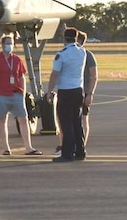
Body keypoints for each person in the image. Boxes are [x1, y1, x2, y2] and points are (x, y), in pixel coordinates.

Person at [0, 35, 43, 156]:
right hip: (2, 95)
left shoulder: (17, 60)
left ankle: (28, 147)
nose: (10, 45)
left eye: (11, 43)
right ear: (2, 45)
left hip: (16, 94)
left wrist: (23, 93)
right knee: (2, 120)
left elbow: (21, 76)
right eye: (7, 43)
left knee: (23, 119)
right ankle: (6, 148)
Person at [46, 27, 87, 162]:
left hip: (65, 90)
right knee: (77, 122)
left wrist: (50, 91)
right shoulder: (82, 52)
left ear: (64, 38)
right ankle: (80, 151)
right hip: (78, 90)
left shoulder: (61, 54)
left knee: (66, 123)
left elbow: (55, 74)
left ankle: (67, 153)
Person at [55, 31, 99, 153]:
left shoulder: (86, 54)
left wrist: (90, 93)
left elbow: (93, 76)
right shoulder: (72, 54)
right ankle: (67, 145)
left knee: (81, 120)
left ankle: (80, 146)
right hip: (76, 90)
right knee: (70, 121)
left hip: (80, 90)